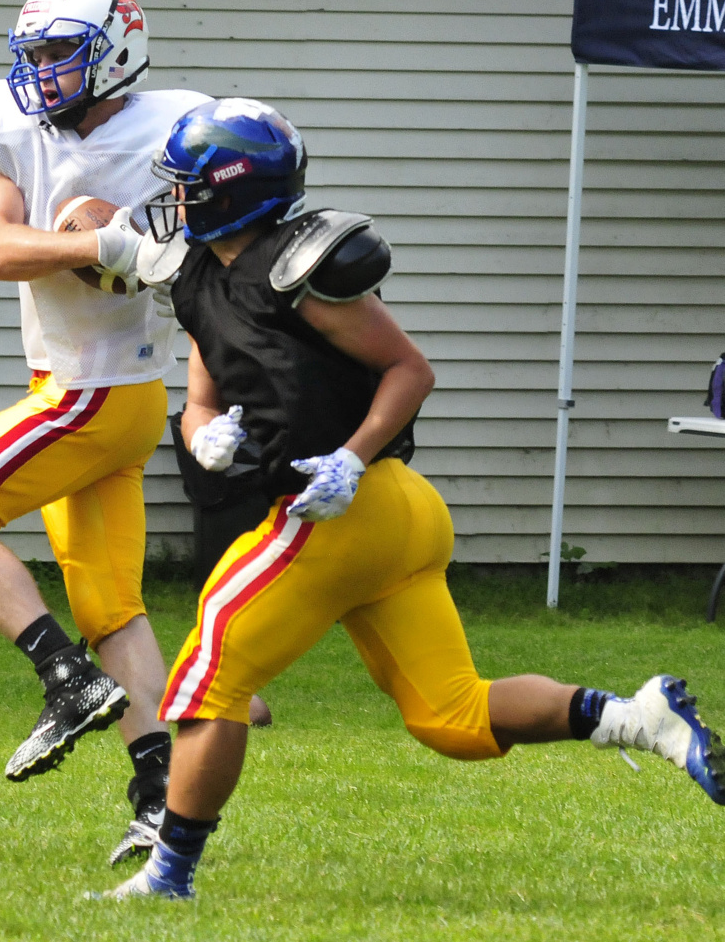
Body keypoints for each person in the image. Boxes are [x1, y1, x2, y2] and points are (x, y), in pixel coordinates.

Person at [99, 97, 725, 901]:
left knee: (205, 681)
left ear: (231, 188)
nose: (174, 198)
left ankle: (168, 876)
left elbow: (408, 369)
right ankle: (637, 717)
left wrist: (350, 460)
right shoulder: (191, 273)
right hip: (392, 521)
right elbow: (201, 392)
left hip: (342, 510)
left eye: (187, 184)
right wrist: (200, 433)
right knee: (452, 719)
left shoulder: (300, 268)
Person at [0, 0, 210, 865]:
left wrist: (166, 237)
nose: (38, 70)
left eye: (56, 52)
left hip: (91, 391)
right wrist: (108, 242)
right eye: (31, 52)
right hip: (113, 397)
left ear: (113, 50)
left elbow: (234, 211)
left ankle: (62, 678)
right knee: (111, 606)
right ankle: (159, 796)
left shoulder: (180, 126)